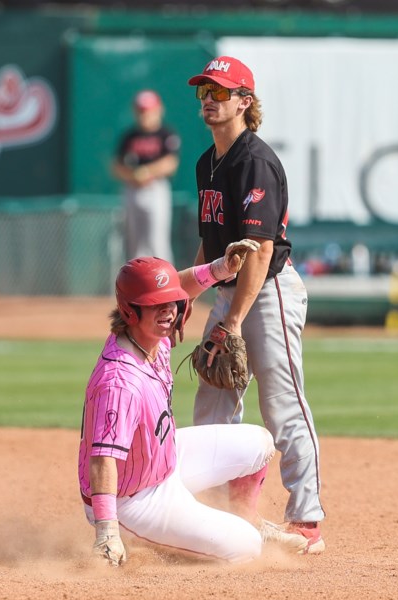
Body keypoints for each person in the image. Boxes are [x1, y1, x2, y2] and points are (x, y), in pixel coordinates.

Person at [78, 246, 308, 566]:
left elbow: (178, 286)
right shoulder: (120, 381)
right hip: (131, 498)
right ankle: (136, 537)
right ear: (131, 311)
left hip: (164, 459)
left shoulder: (150, 333)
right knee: (247, 547)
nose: (169, 311)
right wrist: (107, 530)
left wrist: (221, 268)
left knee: (258, 443)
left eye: (171, 302)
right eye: (156, 305)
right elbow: (102, 460)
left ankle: (245, 518)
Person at [185, 55, 327, 554]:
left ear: (246, 101)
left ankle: (306, 520)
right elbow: (211, 240)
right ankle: (226, 515)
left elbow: (259, 251)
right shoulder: (208, 162)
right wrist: (191, 293)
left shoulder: (255, 161)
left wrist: (234, 323)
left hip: (268, 291)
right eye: (205, 92)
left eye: (221, 92)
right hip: (231, 291)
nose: (209, 100)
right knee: (213, 401)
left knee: (281, 403)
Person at [111, 89, 181, 263]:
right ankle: (137, 283)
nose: (145, 115)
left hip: (156, 188)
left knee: (157, 241)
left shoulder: (166, 133)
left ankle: (164, 283)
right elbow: (117, 166)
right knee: (134, 243)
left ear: (158, 110)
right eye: (141, 110)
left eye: (148, 110)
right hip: (133, 189)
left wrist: (147, 171)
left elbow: (171, 163)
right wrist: (133, 174)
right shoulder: (129, 136)